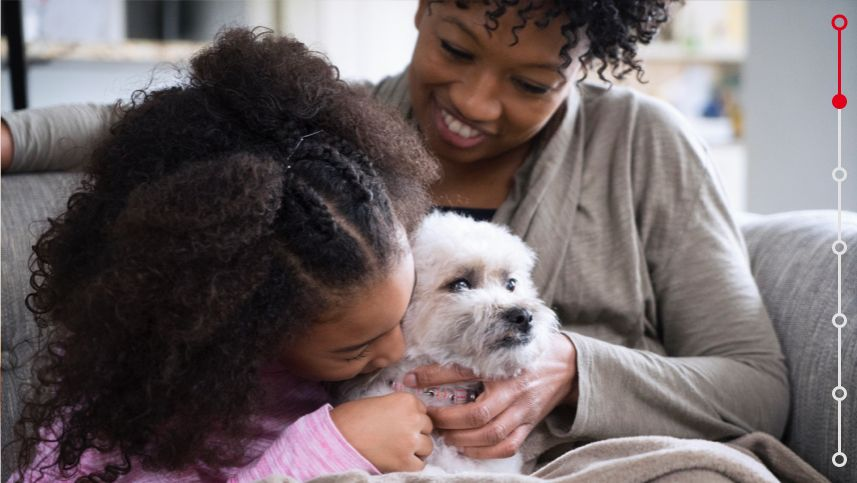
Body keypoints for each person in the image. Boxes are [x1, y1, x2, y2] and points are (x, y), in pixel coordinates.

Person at [2, 0, 793, 476]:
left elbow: (756, 383)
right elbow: (168, 125)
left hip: (585, 461)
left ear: (580, 67)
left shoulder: (642, 145)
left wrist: (573, 368)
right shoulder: (335, 135)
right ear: (420, 6)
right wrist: (11, 135)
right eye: (454, 48)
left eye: (530, 85)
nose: (477, 103)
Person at [6, 29, 440, 481]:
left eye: (400, 313)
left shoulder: (346, 328)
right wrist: (324, 451)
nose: (397, 349)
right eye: (358, 347)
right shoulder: (138, 406)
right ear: (245, 327)